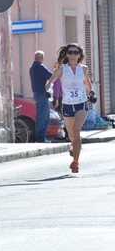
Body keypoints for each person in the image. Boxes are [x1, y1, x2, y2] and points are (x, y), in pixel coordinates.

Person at [45, 43, 95, 173]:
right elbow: (50, 82)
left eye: (76, 53)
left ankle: (75, 162)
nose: (73, 55)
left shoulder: (83, 69)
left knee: (76, 131)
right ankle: (73, 145)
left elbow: (87, 83)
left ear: (79, 55)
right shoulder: (61, 69)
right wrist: (48, 91)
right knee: (72, 135)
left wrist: (91, 93)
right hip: (67, 105)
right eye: (70, 52)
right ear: (66, 54)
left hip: (81, 103)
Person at [29, 50, 53, 142]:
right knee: (43, 116)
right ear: (42, 58)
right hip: (42, 93)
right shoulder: (40, 66)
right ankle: (41, 137)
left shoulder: (32, 67)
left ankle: (39, 136)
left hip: (36, 93)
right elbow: (51, 76)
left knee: (39, 115)